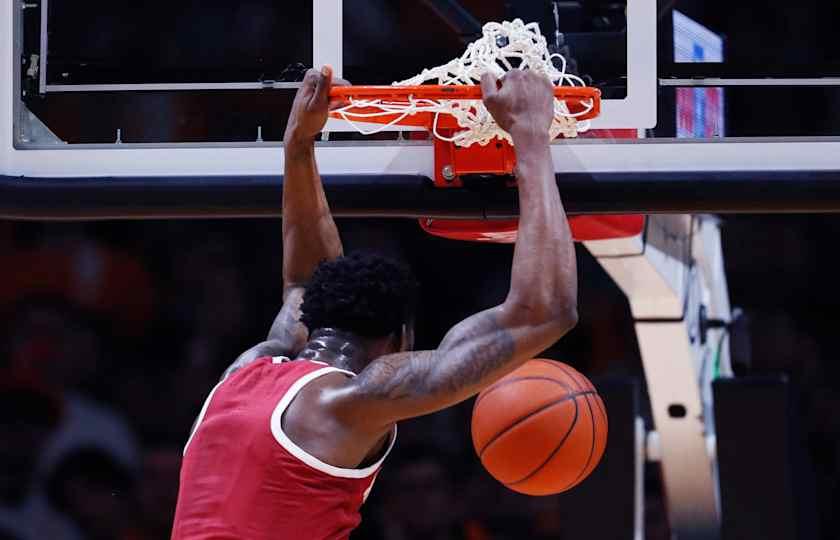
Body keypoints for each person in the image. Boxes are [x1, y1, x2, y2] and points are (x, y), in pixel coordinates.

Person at [171, 65, 579, 540]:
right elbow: (547, 310)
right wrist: (529, 139)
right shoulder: (352, 400)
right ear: (399, 339)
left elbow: (303, 282)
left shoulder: (245, 372)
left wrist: (299, 145)